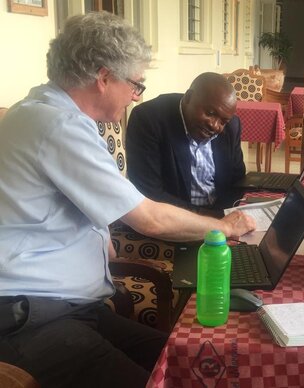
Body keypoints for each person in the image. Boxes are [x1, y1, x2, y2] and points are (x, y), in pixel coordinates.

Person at [0, 12, 255, 388]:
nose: (136, 96)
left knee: (191, 362)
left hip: (63, 308)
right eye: (136, 84)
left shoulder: (42, 112)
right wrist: (222, 226)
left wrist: (97, 238)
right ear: (104, 78)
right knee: (180, 374)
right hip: (32, 320)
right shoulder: (59, 126)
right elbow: (148, 218)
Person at [126, 72, 246, 214]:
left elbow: (237, 182)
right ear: (188, 98)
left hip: (220, 215)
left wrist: (225, 215)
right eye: (210, 113)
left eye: (223, 122)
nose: (215, 125)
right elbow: (150, 194)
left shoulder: (231, 126)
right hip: (171, 219)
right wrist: (211, 218)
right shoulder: (148, 119)